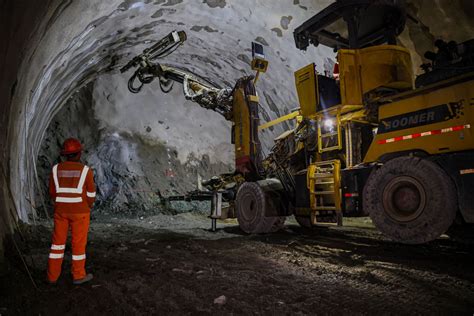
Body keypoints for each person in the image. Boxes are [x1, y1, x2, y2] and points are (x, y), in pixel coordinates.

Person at [47, 138, 96, 285]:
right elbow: (91, 194)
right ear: (79, 154)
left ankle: (52, 276)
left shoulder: (55, 169)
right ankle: (78, 275)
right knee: (78, 245)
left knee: (57, 245)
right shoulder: (86, 171)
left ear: (65, 154)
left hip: (61, 211)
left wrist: (62, 202)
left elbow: (52, 192)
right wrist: (87, 205)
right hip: (80, 212)